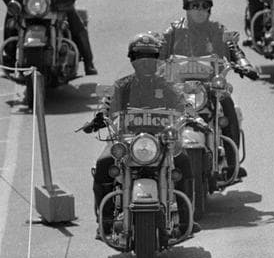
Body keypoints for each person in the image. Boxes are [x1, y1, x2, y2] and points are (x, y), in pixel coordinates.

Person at [81, 32, 192, 235]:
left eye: (150, 57)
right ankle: (104, 221)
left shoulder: (166, 86)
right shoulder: (122, 86)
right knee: (104, 163)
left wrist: (191, 113)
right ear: (132, 59)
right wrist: (99, 118)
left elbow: (181, 103)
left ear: (157, 59)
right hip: (127, 141)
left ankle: (186, 221)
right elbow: (108, 106)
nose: (145, 62)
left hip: (161, 141)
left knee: (183, 160)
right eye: (140, 57)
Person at [160, 0, 260, 179]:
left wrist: (244, 65)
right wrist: (151, 66)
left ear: (209, 9)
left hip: (210, 87)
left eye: (204, 6)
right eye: (195, 6)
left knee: (228, 108)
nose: (199, 10)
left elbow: (233, 49)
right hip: (178, 87)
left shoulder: (217, 30)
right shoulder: (172, 31)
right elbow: (157, 53)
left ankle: (232, 163)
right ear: (187, 8)